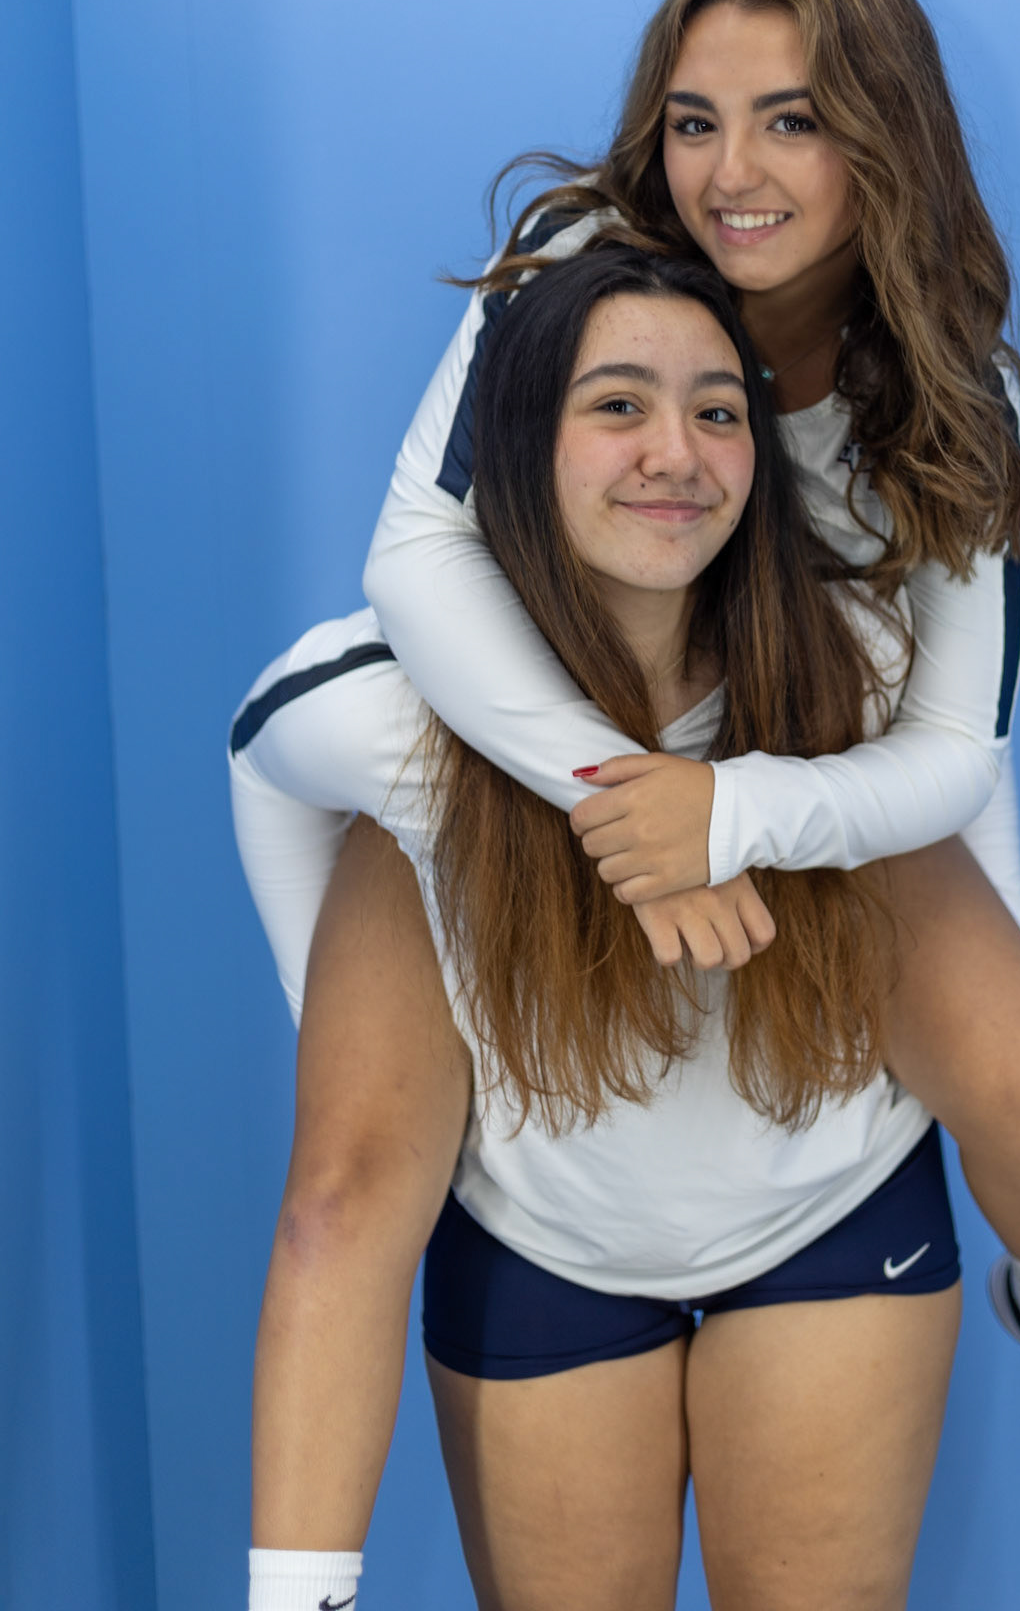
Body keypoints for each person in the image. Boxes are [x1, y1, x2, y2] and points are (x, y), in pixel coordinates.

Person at [362, 0, 1020, 1525]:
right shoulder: (574, 261)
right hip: (598, 741)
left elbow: (955, 752)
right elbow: (414, 554)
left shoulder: (950, 393)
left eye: (790, 121)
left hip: (834, 772)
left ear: (882, 136)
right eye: (694, 121)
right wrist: (626, 798)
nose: (728, 173)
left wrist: (732, 816)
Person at [234, 244, 965, 1611]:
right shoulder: (392, 719)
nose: (674, 453)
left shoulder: (849, 665)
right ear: (520, 443)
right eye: (617, 404)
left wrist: (729, 818)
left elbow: (968, 790)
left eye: (716, 411)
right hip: (544, 1244)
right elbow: (259, 758)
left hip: (826, 1209)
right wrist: (324, 1010)